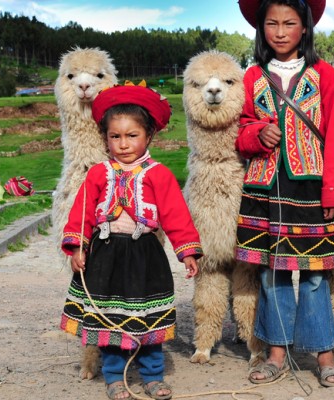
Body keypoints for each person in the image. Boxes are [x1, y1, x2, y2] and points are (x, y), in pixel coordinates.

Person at [235, 0, 334, 388]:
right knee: (273, 273)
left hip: (312, 187)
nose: (281, 31)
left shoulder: (323, 75)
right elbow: (240, 127)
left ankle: (324, 356)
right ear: (261, 27)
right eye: (272, 23)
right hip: (266, 187)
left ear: (305, 27)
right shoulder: (251, 76)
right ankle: (276, 355)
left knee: (316, 274)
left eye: (290, 23)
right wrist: (256, 134)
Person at [59, 82, 203, 400]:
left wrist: (187, 252)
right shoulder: (98, 173)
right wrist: (77, 246)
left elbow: (176, 216)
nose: (123, 144)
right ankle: (114, 377)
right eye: (115, 136)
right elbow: (81, 213)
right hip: (105, 254)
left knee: (148, 319)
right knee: (110, 319)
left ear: (148, 136)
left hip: (144, 253)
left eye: (132, 135)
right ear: (106, 137)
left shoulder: (159, 174)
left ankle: (152, 376)